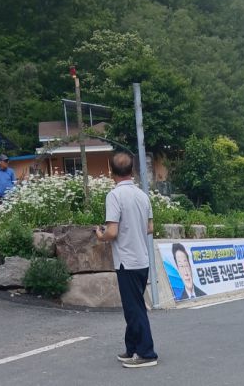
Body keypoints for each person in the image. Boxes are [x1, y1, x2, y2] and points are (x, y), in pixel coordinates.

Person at [94, 152, 158, 368]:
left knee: (134, 308)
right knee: (134, 305)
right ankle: (132, 348)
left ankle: (146, 353)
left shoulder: (114, 196)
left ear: (111, 171)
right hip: (142, 259)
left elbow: (112, 231)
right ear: (132, 171)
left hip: (126, 261)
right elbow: (150, 227)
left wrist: (100, 235)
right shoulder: (143, 195)